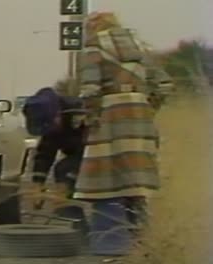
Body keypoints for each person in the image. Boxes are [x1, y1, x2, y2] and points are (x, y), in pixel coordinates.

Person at [73, 12, 172, 254]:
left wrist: (91, 117)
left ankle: (111, 244)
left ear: (92, 28)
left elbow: (90, 89)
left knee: (106, 179)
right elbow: (165, 84)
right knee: (136, 181)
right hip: (140, 116)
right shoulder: (140, 47)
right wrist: (147, 106)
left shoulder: (93, 47)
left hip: (111, 115)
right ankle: (141, 240)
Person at [22, 87, 87, 221]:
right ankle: (74, 227)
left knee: (63, 169)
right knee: (62, 173)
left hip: (102, 155)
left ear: (58, 114)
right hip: (76, 156)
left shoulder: (80, 115)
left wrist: (67, 183)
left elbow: (86, 151)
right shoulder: (51, 125)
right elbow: (46, 153)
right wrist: (38, 184)